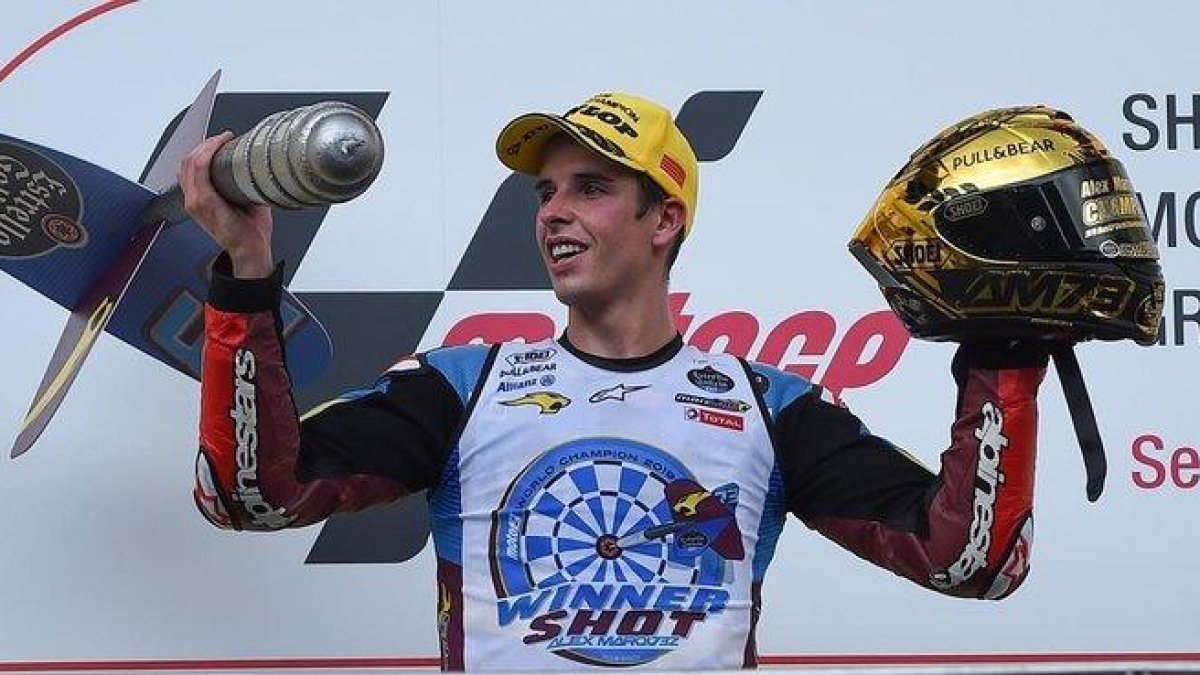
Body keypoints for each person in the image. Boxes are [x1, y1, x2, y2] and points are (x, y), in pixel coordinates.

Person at [180, 92, 1050, 671]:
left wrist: (1005, 350)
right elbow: (251, 494)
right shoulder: (460, 387)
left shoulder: (772, 408)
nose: (553, 209)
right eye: (546, 190)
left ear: (664, 219)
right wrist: (246, 268)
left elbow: (967, 562)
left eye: (590, 188)